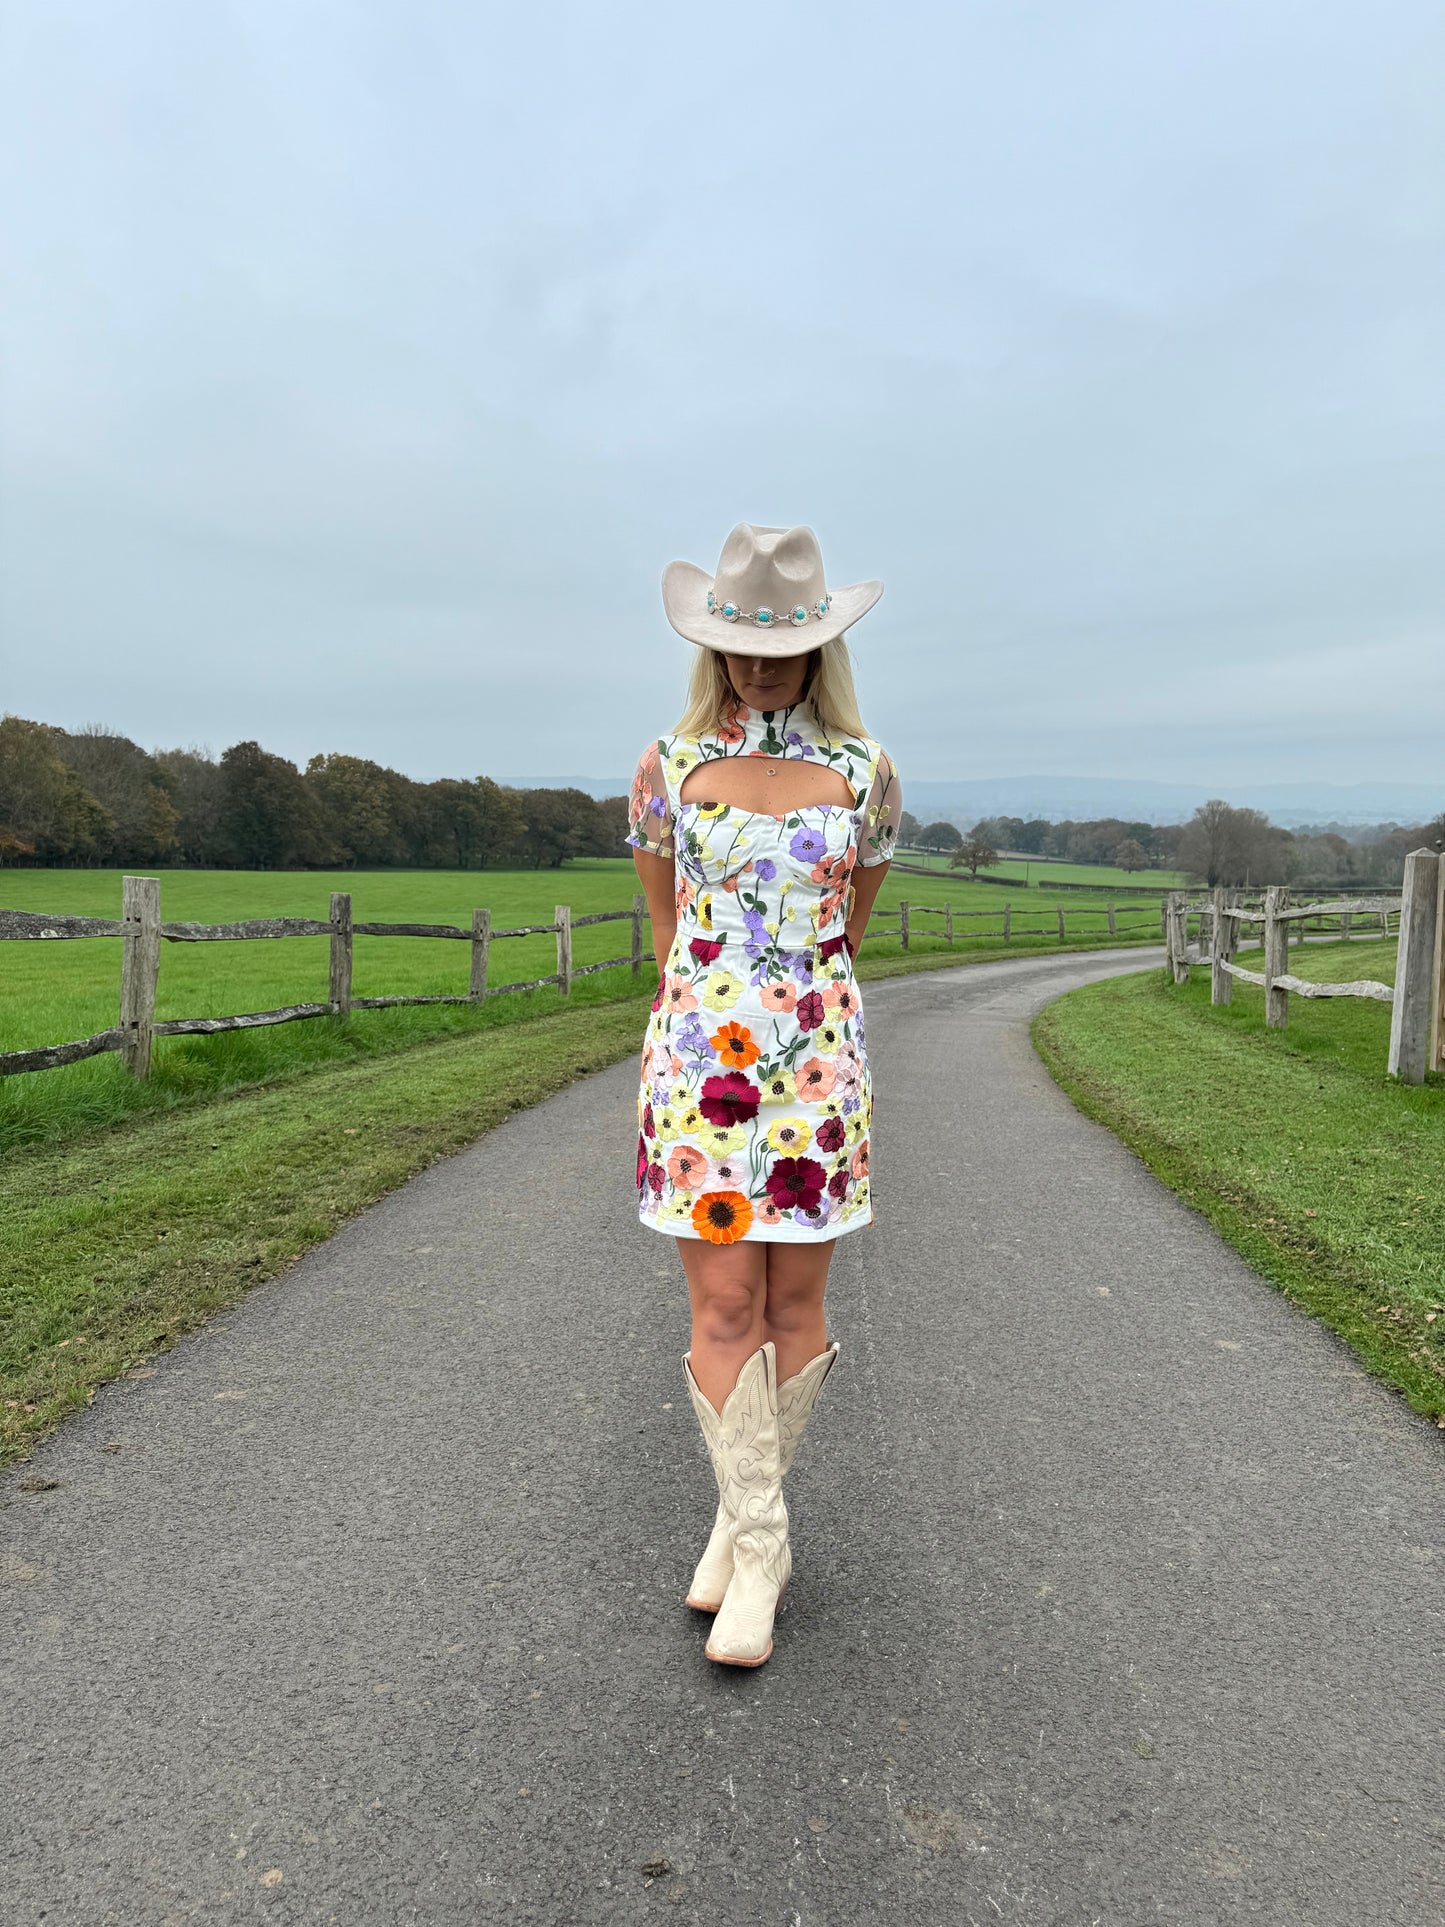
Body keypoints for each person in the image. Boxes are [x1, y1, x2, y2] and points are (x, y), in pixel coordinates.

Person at [626, 522, 901, 1667]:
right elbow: (664, 929)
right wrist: (705, 1025)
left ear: (819, 648)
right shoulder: (666, 768)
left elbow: (849, 929)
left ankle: (742, 1532)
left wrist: (794, 1017)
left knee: (793, 1305)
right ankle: (762, 1540)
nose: (754, 667)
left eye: (776, 648)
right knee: (722, 1304)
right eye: (733, 647)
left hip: (818, 1067)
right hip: (700, 1069)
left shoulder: (864, 772)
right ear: (713, 648)